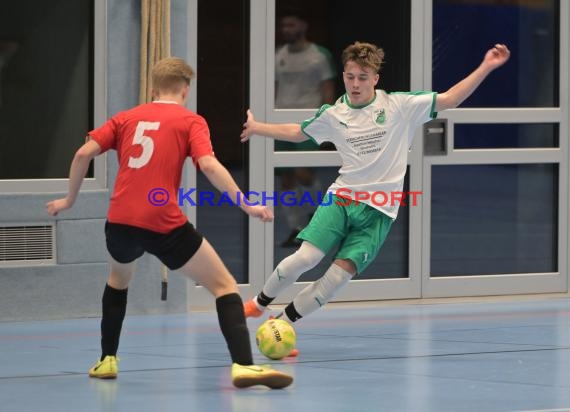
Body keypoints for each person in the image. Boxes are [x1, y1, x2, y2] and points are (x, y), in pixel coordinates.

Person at [46, 57, 293, 389]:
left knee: (118, 280)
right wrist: (247, 204)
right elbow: (208, 165)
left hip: (119, 221)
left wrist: (69, 200)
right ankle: (244, 366)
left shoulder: (125, 118)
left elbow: (82, 154)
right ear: (185, 89)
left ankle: (107, 360)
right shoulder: (191, 121)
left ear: (152, 89)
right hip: (161, 220)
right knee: (224, 286)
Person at [241, 42, 511, 343]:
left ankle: (282, 324)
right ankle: (259, 303)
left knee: (336, 280)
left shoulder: (399, 106)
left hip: (380, 211)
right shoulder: (334, 113)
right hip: (342, 198)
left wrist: (486, 66)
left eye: (363, 77)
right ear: (343, 76)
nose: (355, 84)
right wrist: (257, 127)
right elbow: (297, 131)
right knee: (306, 257)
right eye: (350, 76)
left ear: (375, 79)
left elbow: (449, 99)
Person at [274, 9, 336, 247]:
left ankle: (316, 214)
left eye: (291, 25)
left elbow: (328, 89)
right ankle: (295, 228)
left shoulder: (319, 56)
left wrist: (327, 122)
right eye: (283, 26)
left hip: (308, 123)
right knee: (287, 178)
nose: (286, 30)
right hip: (280, 121)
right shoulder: (278, 54)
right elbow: (274, 88)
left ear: (303, 25)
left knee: (303, 172)